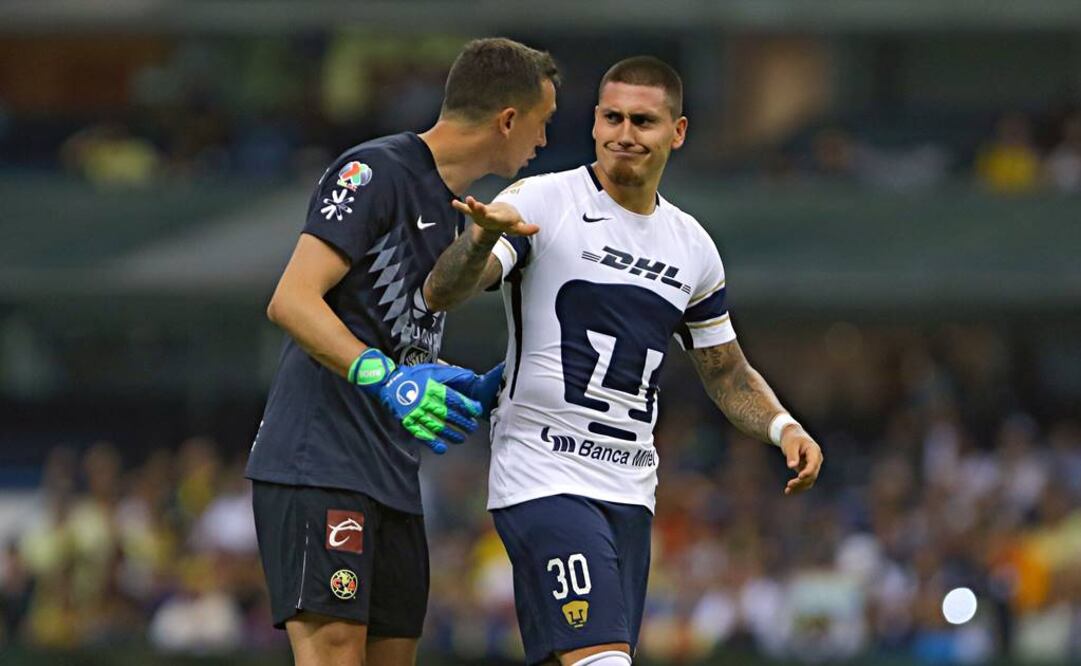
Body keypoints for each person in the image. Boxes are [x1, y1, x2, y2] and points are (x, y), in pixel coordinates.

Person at [423, 56, 824, 666]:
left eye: (643, 121)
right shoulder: (541, 200)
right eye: (612, 117)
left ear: (677, 132)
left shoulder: (692, 246)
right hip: (543, 477)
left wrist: (782, 426)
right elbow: (442, 292)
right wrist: (478, 241)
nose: (625, 134)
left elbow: (726, 371)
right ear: (592, 122)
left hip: (631, 491)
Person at [245, 38, 559, 666]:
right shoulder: (374, 171)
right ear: (507, 120)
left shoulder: (455, 212)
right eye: (542, 123)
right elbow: (293, 300)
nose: (544, 143)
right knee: (334, 653)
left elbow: (395, 329)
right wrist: (386, 377)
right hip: (319, 461)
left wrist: (445, 377)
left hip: (391, 475)